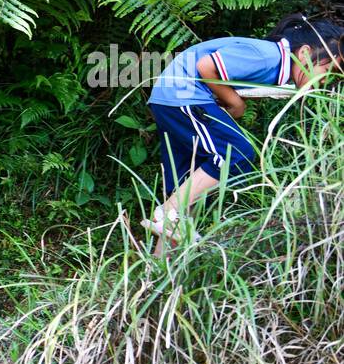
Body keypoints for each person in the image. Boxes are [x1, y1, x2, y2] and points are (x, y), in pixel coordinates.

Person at [143, 14, 344, 253]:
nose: (324, 80)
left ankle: (156, 274)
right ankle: (167, 213)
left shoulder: (279, 66)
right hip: (184, 95)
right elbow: (205, 66)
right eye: (325, 69)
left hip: (171, 97)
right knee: (235, 153)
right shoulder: (267, 55)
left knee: (188, 187)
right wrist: (235, 103)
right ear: (304, 53)